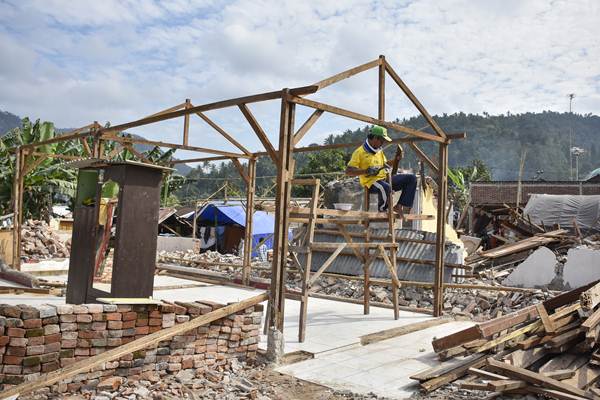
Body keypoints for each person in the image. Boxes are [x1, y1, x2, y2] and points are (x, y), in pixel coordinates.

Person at [345, 125, 417, 216]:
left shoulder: (379, 151)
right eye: (382, 140)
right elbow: (348, 171)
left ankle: (399, 206)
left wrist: (396, 159)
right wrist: (366, 171)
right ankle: (383, 209)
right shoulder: (359, 152)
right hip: (371, 182)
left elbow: (385, 164)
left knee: (411, 178)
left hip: (384, 179)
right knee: (386, 187)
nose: (383, 143)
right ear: (375, 138)